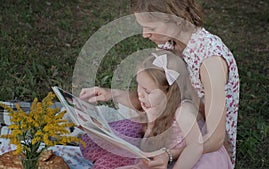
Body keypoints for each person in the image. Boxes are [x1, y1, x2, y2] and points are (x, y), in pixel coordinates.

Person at [80, 0, 240, 168]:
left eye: (152, 28)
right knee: (101, 142)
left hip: (202, 144)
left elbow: (215, 138)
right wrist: (111, 94)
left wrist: (169, 155)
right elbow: (159, 94)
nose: (144, 34)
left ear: (176, 18)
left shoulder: (210, 60)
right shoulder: (170, 43)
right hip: (168, 124)